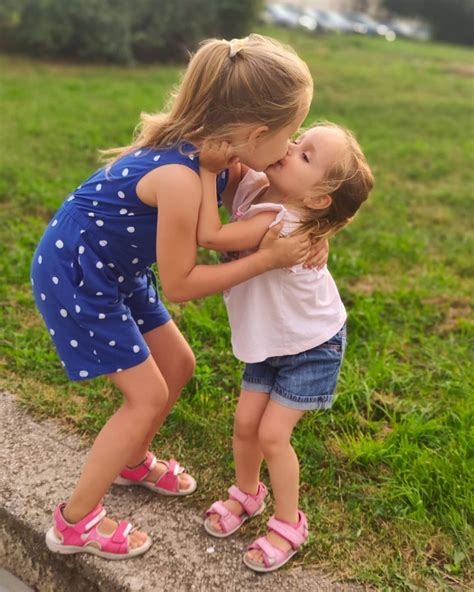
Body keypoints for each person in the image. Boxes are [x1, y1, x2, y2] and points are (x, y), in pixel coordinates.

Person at [30, 34, 325, 559]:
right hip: (78, 273)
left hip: (114, 266)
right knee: (143, 395)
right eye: (289, 135)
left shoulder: (220, 157)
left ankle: (131, 461)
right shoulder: (182, 177)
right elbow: (182, 285)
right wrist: (268, 260)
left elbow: (271, 202)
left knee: (178, 363)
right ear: (256, 133)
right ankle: (75, 524)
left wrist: (315, 229)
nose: (290, 145)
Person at [199, 122, 374, 572]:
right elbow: (239, 173)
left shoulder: (281, 223)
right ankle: (247, 494)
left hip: (311, 345)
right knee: (244, 424)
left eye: (304, 155)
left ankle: (288, 522)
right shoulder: (263, 187)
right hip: (268, 340)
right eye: (298, 140)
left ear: (317, 200)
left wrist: (205, 170)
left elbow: (211, 236)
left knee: (272, 435)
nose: (290, 147)